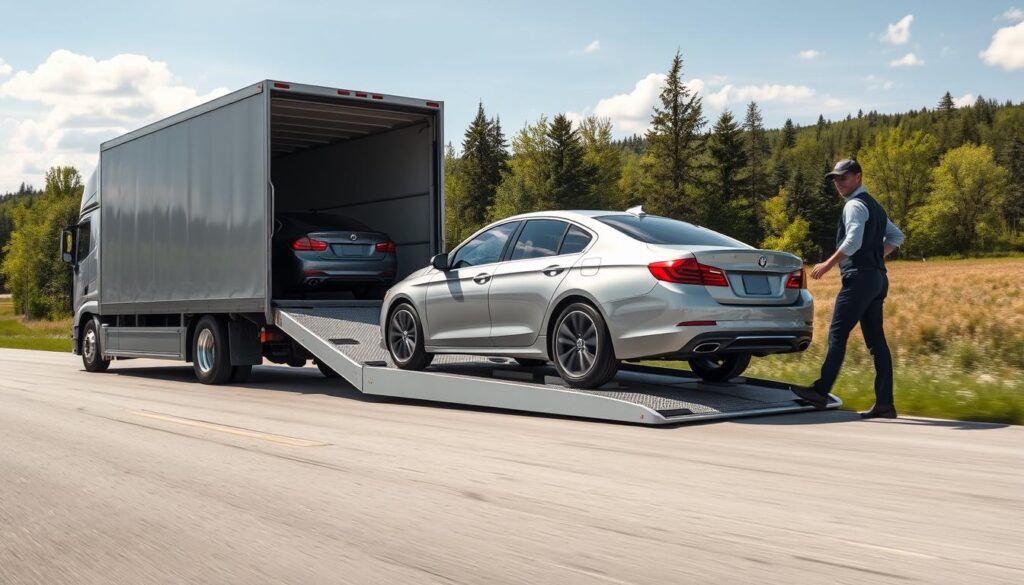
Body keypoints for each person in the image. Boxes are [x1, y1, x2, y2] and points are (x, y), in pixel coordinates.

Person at [791, 159, 905, 419]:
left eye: (843, 178)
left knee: (837, 334)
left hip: (860, 280)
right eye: (835, 179)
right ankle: (885, 404)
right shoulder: (875, 206)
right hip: (877, 278)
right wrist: (875, 258)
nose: (838, 183)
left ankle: (821, 391)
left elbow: (853, 240)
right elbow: (897, 237)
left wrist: (828, 264)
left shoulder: (854, 205)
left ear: (858, 177)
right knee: (877, 342)